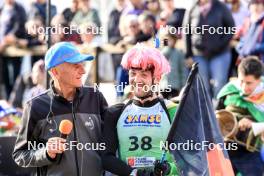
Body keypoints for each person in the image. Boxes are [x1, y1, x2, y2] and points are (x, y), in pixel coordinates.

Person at [12, 42, 108, 176]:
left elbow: (110, 144)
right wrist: (45, 152)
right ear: (55, 72)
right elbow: (20, 155)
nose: (83, 70)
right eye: (76, 65)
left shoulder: (96, 97)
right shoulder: (35, 106)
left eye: (82, 64)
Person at [102, 44, 179, 176]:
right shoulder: (115, 112)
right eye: (133, 74)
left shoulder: (173, 111)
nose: (137, 80)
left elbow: (192, 156)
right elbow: (106, 158)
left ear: (157, 78)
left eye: (144, 74)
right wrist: (134, 173)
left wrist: (169, 169)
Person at [217, 56, 264, 175]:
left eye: (249, 83)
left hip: (252, 152)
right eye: (241, 81)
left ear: (259, 80)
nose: (243, 87)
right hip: (227, 149)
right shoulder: (229, 90)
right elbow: (215, 114)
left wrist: (254, 125)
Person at [184, 0, 235, 98]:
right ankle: (206, 111)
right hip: (198, 54)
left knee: (219, 83)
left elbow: (231, 27)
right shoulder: (192, 8)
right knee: (203, 86)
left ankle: (218, 109)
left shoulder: (221, 6)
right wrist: (188, 54)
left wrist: (220, 44)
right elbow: (186, 31)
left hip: (220, 53)